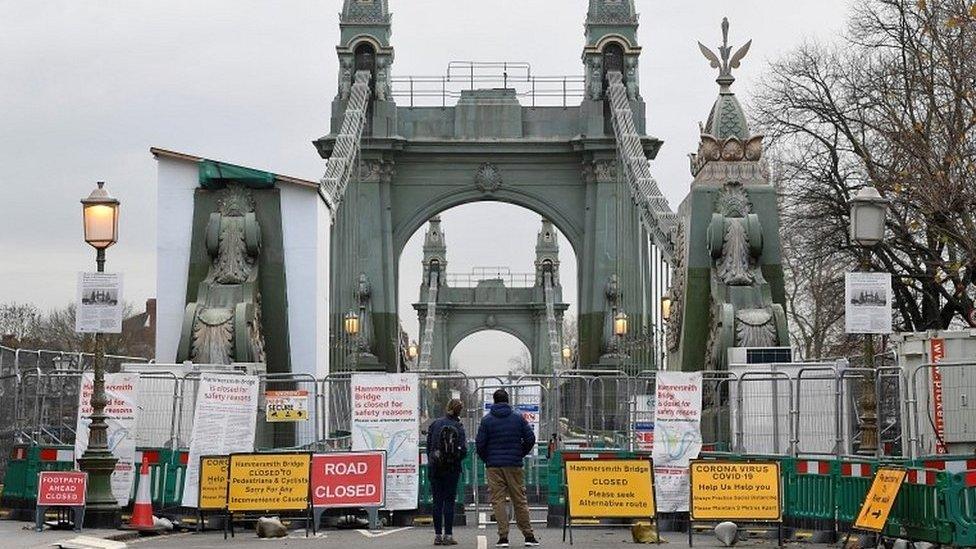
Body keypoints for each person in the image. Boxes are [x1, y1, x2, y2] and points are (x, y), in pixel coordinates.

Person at [476, 389, 539, 547]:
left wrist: (488, 459)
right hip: (514, 465)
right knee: (519, 499)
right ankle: (528, 535)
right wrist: (520, 453)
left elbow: (480, 444)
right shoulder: (518, 418)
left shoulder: (487, 420)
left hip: (494, 466)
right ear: (507, 400)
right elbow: (530, 438)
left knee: (498, 501)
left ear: (495, 401)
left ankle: (503, 537)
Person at [426, 398, 468, 546]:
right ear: (459, 411)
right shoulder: (459, 426)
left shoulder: (435, 424)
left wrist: (433, 461)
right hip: (452, 468)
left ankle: (437, 535)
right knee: (449, 501)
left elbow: (429, 447)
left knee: (437, 501)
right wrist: (455, 459)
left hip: (436, 468)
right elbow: (463, 451)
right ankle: (448, 535)